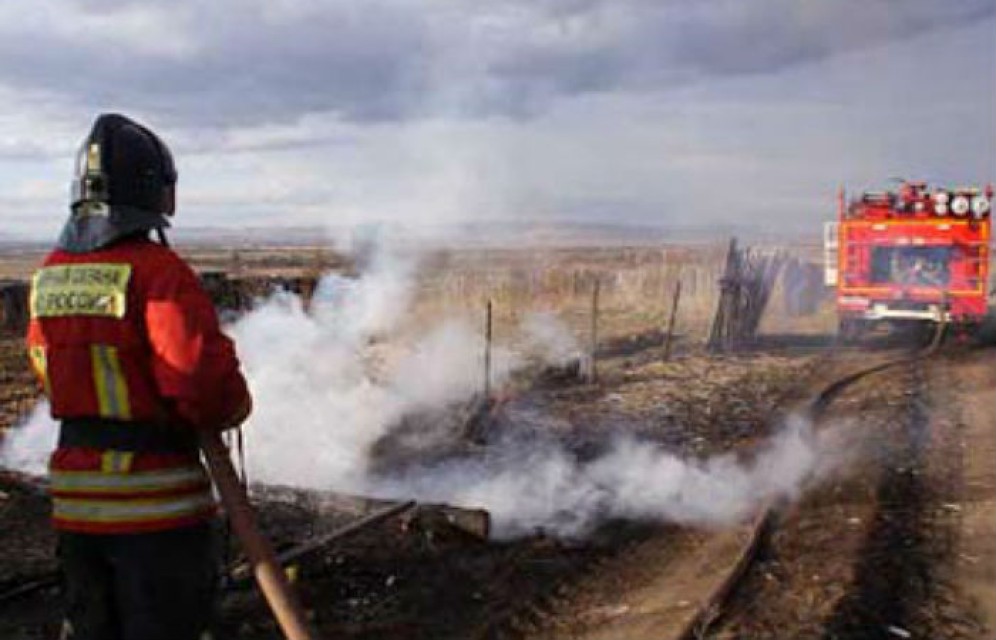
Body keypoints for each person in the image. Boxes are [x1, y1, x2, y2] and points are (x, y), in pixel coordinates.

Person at [25, 113, 252, 640]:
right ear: (156, 192)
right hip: (155, 512)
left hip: (77, 506)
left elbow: (47, 368)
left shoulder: (49, 274)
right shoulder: (157, 272)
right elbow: (198, 380)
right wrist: (233, 408)